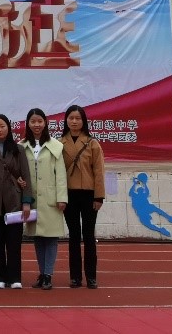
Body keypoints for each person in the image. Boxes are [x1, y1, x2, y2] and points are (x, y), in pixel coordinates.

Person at [0, 114, 31, 290]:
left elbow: (26, 176)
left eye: (2, 126)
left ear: (8, 128)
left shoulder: (18, 150)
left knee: (14, 242)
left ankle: (14, 277)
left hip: (14, 202)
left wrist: (26, 202)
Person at [21, 107, 67, 290]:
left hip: (51, 199)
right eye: (33, 121)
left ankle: (48, 274)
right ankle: (42, 273)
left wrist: (62, 198)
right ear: (28, 124)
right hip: (32, 199)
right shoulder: (22, 146)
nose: (36, 125)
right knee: (37, 238)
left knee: (51, 237)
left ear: (45, 123)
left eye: (40, 121)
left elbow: (61, 175)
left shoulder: (55, 146)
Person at [60, 104, 105, 289]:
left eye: (78, 118)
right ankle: (75, 277)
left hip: (89, 195)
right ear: (66, 121)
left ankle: (91, 276)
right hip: (68, 194)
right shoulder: (59, 143)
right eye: (71, 118)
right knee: (73, 236)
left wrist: (99, 197)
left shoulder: (92, 143)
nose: (74, 121)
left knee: (88, 236)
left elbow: (99, 171)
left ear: (84, 121)